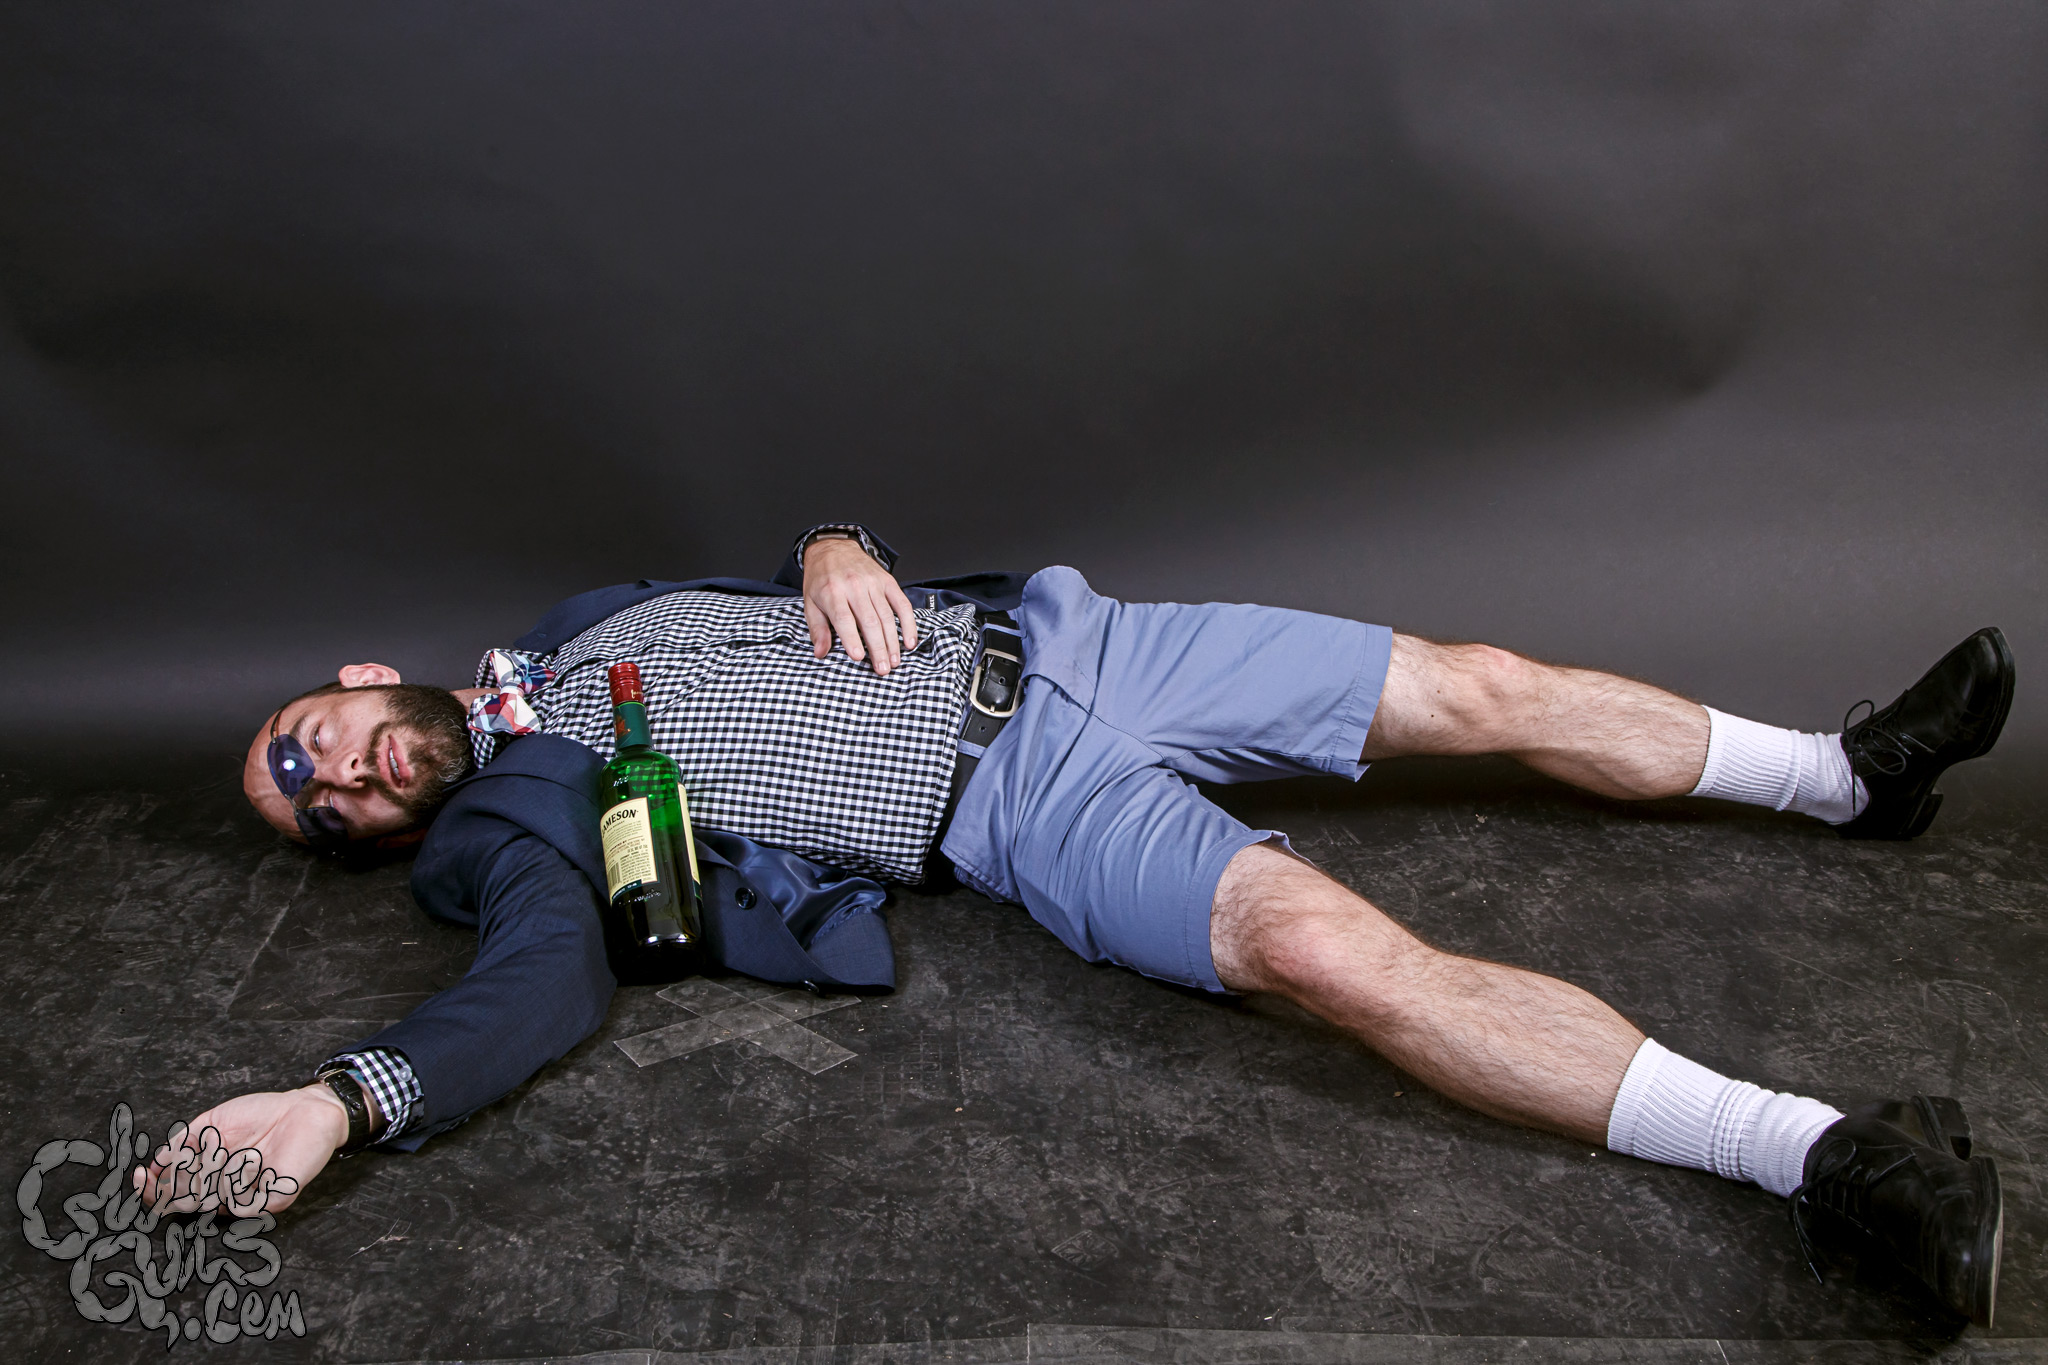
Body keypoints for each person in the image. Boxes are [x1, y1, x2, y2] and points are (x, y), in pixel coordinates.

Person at [145, 524, 2015, 1326]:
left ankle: (1850, 775)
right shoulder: (510, 828)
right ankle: (1824, 1159)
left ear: (359, 679)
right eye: (315, 810)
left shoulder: (578, 623)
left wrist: (831, 540)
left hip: (1063, 642)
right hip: (1012, 805)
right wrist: (338, 1099)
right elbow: (537, 981)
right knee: (1330, 954)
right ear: (377, 834)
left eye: (304, 743)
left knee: (1478, 682)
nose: (332, 779)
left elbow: (771, 588)